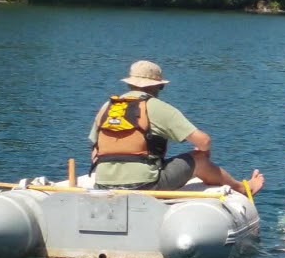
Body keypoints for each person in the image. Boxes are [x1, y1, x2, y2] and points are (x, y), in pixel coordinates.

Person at [89, 60, 264, 195]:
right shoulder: (156, 107)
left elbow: (95, 151)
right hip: (145, 185)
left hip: (103, 184)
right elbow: (204, 141)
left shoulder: (107, 107)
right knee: (199, 158)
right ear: (157, 86)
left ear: (130, 83)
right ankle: (243, 189)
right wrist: (203, 153)